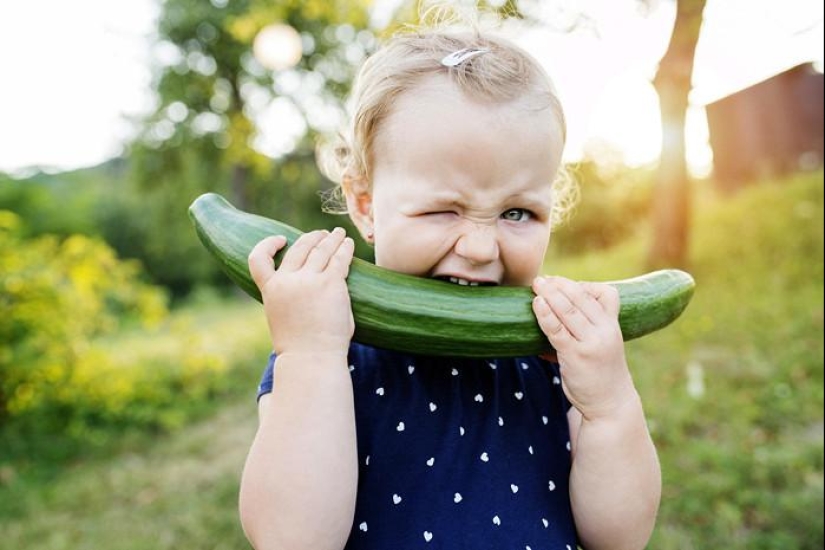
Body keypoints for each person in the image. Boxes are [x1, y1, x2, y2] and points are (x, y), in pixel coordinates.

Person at [239, 20, 661, 550]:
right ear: (366, 205)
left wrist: (609, 407)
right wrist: (309, 355)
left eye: (517, 212)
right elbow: (291, 539)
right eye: (443, 209)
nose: (481, 248)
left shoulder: (553, 362)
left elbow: (620, 537)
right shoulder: (326, 350)